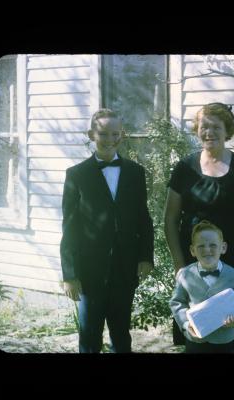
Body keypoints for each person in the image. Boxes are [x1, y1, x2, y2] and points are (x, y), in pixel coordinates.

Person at [164, 102, 234, 352]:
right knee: (196, 335)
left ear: (227, 130)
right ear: (197, 129)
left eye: (216, 127)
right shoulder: (184, 168)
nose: (209, 132)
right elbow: (170, 219)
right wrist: (180, 265)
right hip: (196, 265)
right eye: (204, 126)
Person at [60, 108, 154, 353]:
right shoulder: (77, 174)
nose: (110, 139)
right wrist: (69, 274)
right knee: (89, 334)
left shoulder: (135, 172)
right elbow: (69, 226)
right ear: (91, 134)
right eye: (103, 133)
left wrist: (146, 257)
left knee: (121, 333)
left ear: (122, 135)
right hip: (90, 271)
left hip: (125, 268)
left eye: (115, 134)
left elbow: (143, 218)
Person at [170, 220, 234, 353]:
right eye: (201, 246)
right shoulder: (185, 274)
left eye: (213, 245)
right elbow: (176, 302)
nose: (207, 250)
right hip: (195, 340)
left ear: (223, 248)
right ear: (192, 250)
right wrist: (186, 324)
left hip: (224, 342)